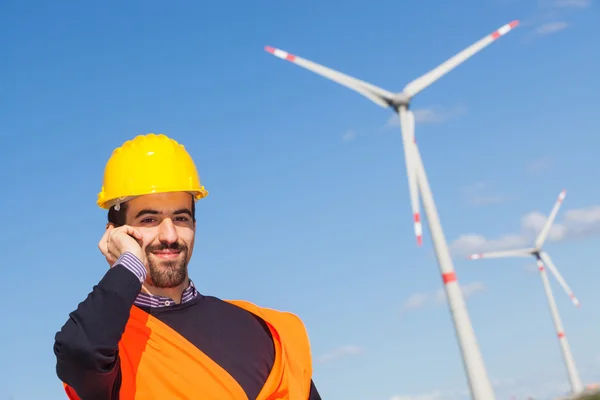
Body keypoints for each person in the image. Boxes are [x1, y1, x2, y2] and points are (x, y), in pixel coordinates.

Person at [53, 133, 322, 399]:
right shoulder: (110, 347)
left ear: (194, 225)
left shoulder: (265, 328)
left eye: (181, 218)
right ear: (116, 233)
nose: (169, 235)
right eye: (149, 220)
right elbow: (80, 354)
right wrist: (129, 267)